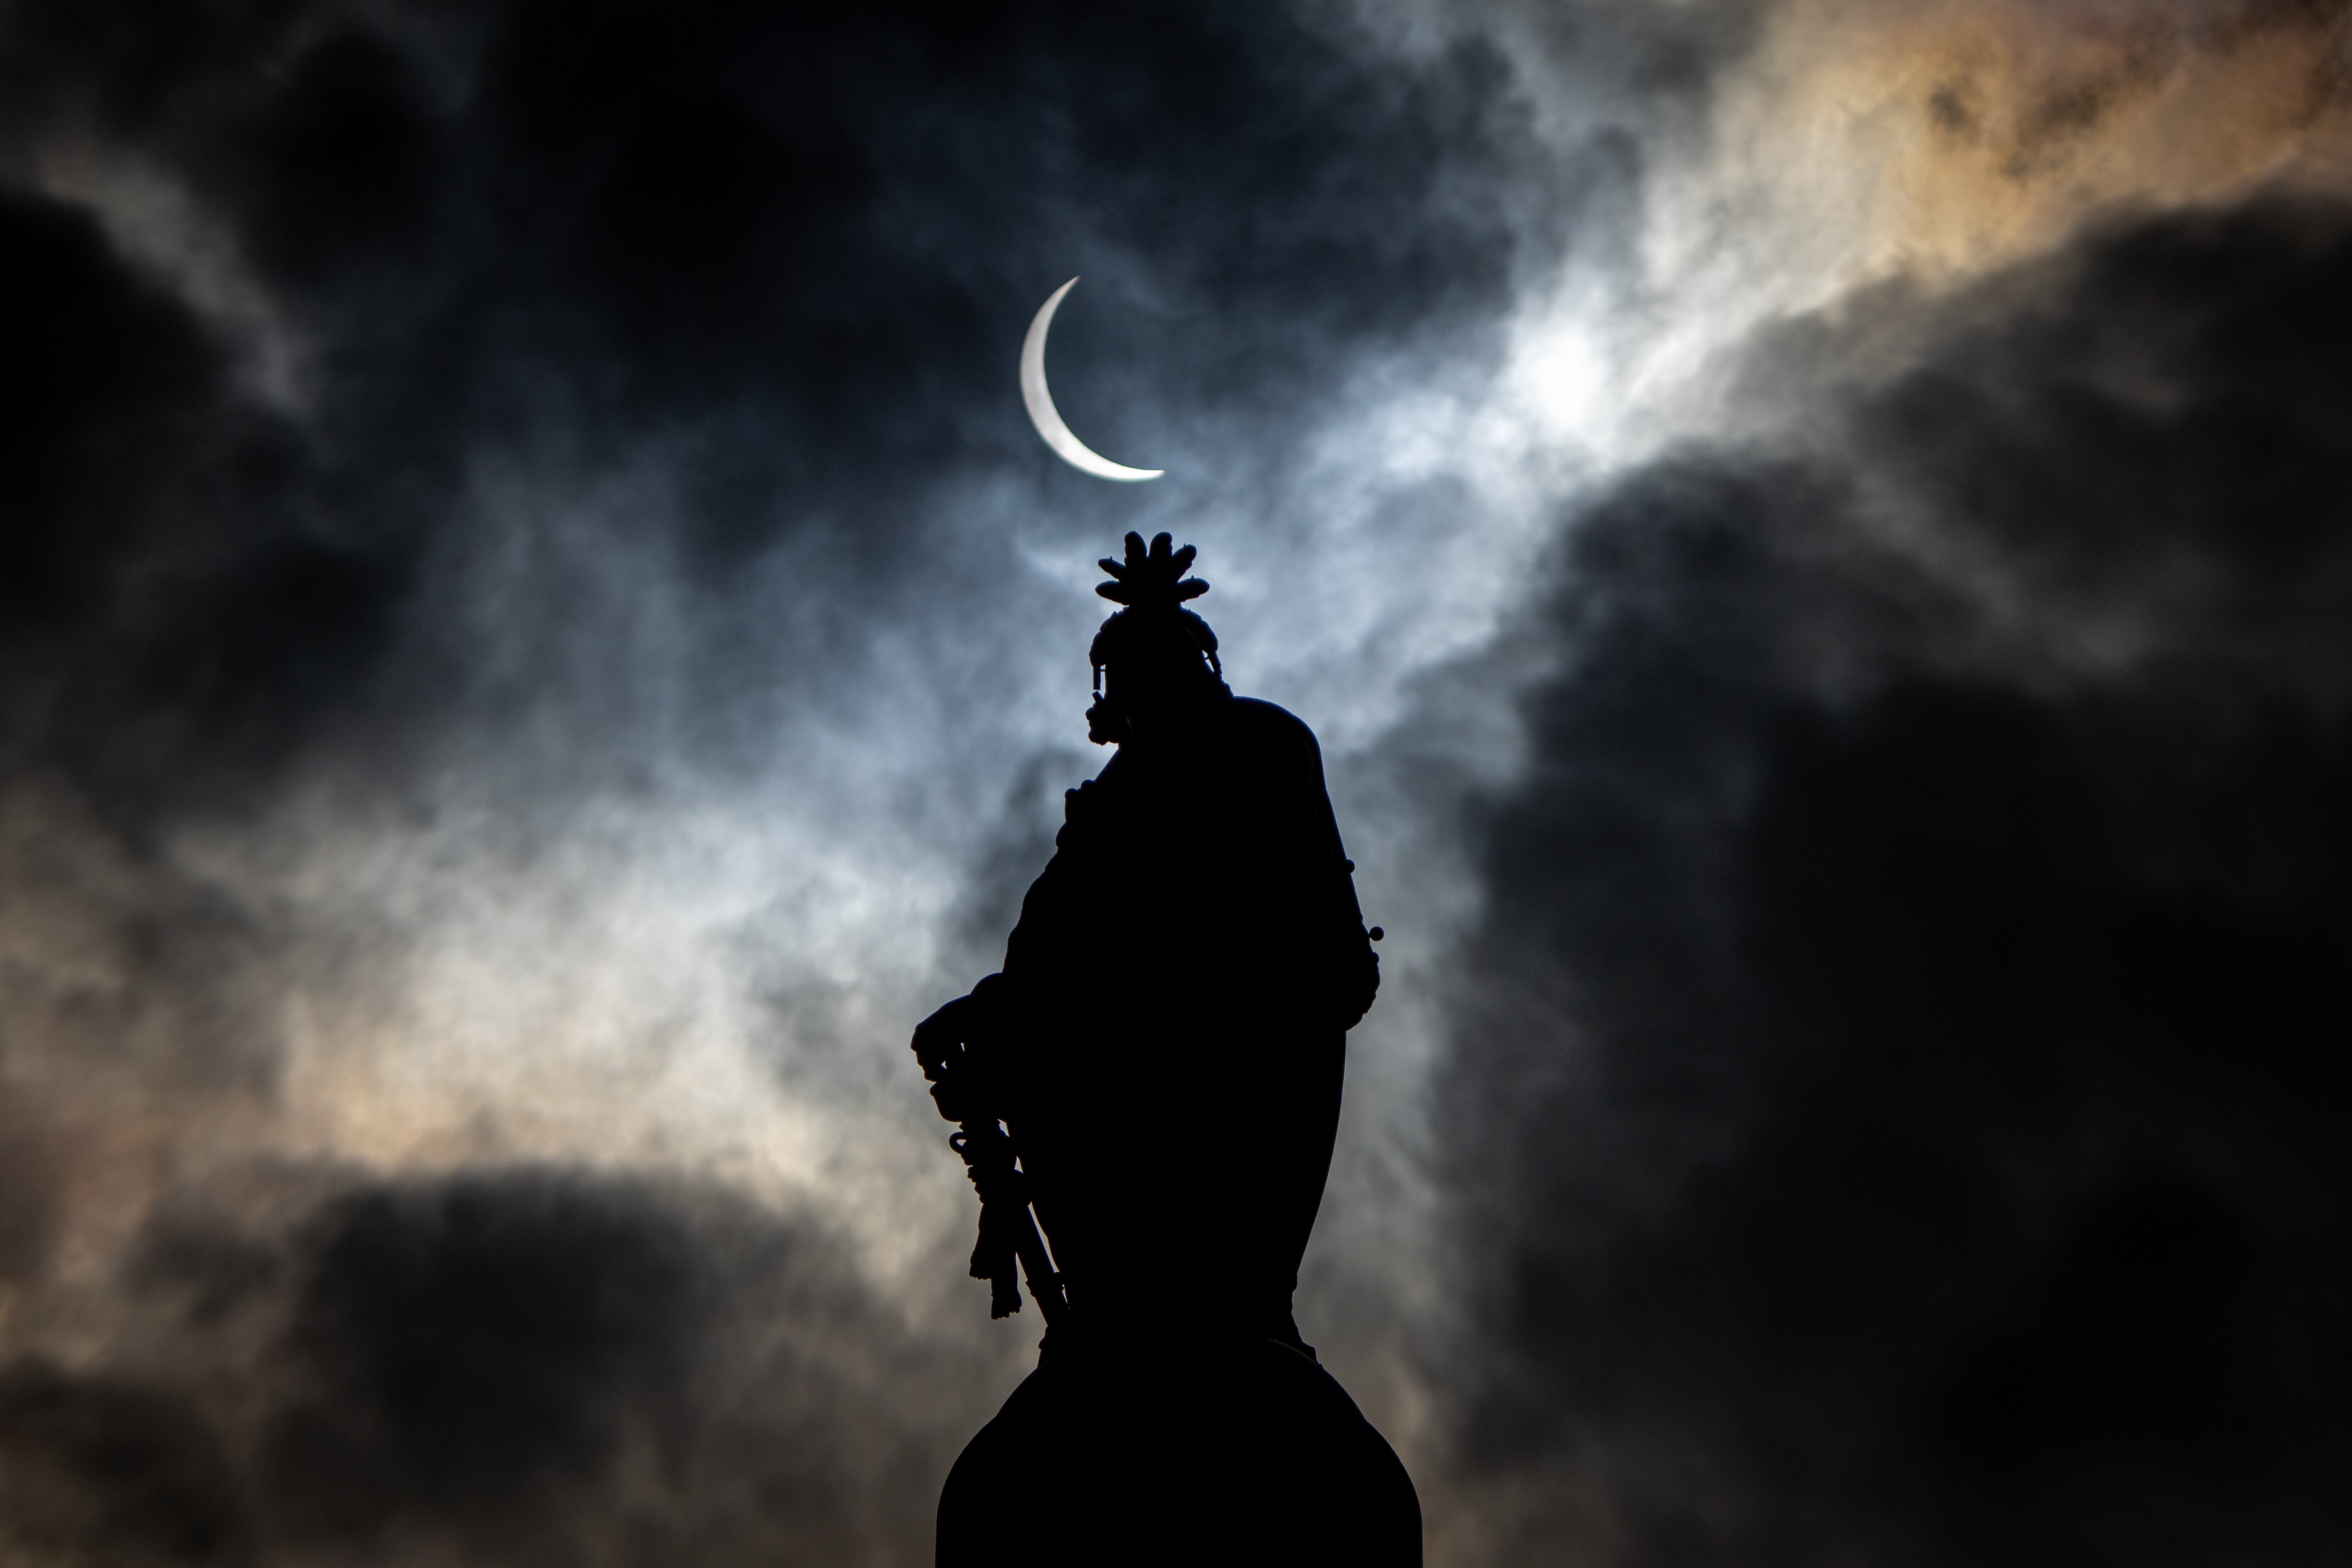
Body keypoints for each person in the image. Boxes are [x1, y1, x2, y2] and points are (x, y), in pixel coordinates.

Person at [913, 533, 1419, 1566]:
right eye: (1129, 670)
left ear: (1201, 663)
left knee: (1210, 1283)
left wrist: (1138, 990)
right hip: (1103, 1102)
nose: (1146, 686)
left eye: (1166, 663)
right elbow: (1058, 965)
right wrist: (991, 1011)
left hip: (1223, 1078)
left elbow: (1304, 947)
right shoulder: (1102, 808)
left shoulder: (1261, 749)